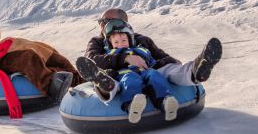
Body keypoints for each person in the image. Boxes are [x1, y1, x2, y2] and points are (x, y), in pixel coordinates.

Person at [76, 8, 222, 116]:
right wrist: (124, 58)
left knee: (169, 69)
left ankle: (196, 70)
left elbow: (161, 56)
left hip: (147, 70)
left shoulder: (141, 40)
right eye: (101, 22)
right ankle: (104, 85)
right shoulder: (98, 42)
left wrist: (169, 62)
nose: (102, 25)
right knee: (115, 79)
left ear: (124, 23)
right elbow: (91, 60)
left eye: (106, 22)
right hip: (117, 74)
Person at [103, 20, 179, 123]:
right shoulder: (111, 55)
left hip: (145, 71)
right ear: (110, 44)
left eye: (124, 40)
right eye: (116, 42)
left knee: (154, 75)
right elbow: (109, 66)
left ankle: (165, 101)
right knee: (130, 80)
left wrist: (166, 61)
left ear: (130, 40)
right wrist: (109, 73)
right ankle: (132, 105)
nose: (121, 44)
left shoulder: (142, 50)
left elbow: (153, 62)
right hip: (125, 73)